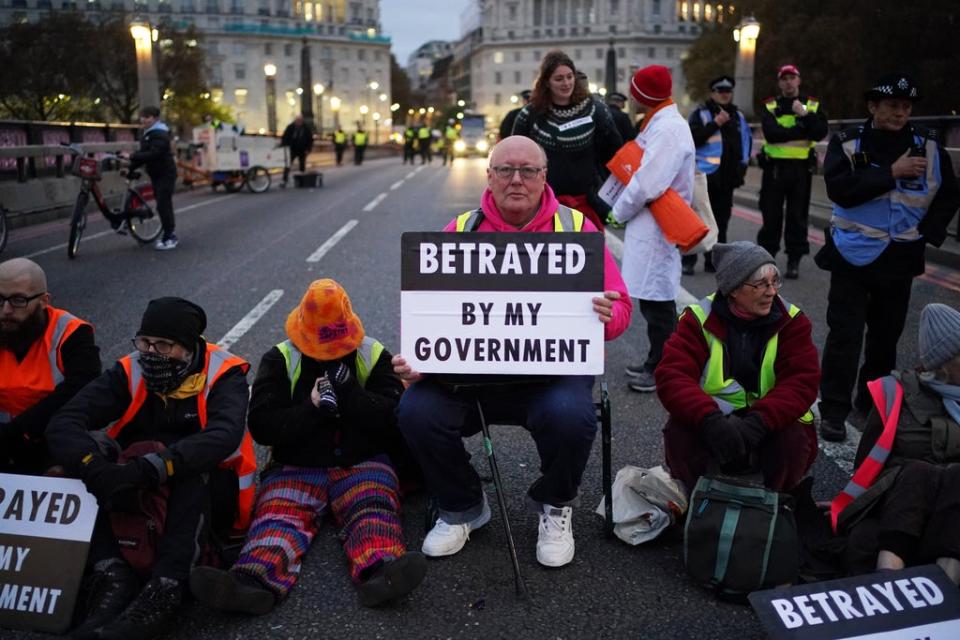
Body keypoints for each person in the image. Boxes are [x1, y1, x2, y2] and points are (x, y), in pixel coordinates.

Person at [392, 136, 632, 568]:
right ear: (489, 176)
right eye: (505, 170)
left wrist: (607, 314)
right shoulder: (460, 230)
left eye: (528, 170)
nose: (516, 179)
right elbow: (424, 311)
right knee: (415, 409)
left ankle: (555, 505)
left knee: (572, 417)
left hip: (550, 377)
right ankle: (462, 505)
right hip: (470, 379)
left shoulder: (577, 229)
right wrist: (416, 358)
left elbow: (622, 310)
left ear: (544, 177)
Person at [190, 280, 425, 612]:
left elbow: (391, 417)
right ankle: (250, 582)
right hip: (296, 465)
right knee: (278, 516)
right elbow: (263, 426)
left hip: (362, 462)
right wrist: (311, 407)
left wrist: (350, 394)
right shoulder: (281, 358)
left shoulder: (372, 354)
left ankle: (383, 572)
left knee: (372, 508)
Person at [46, 297, 255, 640]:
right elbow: (65, 421)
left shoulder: (224, 373)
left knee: (193, 468)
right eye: (144, 342)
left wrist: (150, 468)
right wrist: (94, 468)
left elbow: (222, 436)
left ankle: (166, 588)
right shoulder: (130, 369)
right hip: (136, 482)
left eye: (164, 345)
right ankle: (111, 573)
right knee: (77, 460)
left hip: (209, 496)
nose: (151, 352)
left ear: (188, 348)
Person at [816, 73, 960, 442]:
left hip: (900, 258)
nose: (900, 113)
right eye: (893, 106)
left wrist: (929, 233)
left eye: (906, 107)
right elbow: (840, 190)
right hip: (852, 254)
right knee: (845, 336)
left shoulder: (927, 146)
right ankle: (833, 411)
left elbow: (948, 194)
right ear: (873, 107)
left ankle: (871, 403)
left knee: (885, 338)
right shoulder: (848, 143)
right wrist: (890, 173)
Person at [656, 242, 820, 492]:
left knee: (793, 438)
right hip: (715, 416)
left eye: (775, 281)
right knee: (679, 432)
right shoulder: (697, 318)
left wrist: (759, 422)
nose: (771, 292)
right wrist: (709, 420)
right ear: (732, 289)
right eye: (760, 284)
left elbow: (801, 382)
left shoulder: (793, 321)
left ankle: (777, 501)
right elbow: (672, 375)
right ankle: (694, 500)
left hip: (768, 418)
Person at [835, 304, 960, 586]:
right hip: (902, 506)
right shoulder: (896, 391)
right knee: (916, 471)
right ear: (944, 361)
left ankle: (946, 591)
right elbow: (867, 463)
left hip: (953, 514)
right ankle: (889, 587)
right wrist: (846, 502)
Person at [609, 65, 695, 393]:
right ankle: (656, 360)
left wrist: (618, 210)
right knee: (651, 299)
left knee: (659, 301)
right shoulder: (660, 122)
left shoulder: (668, 129)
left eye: (635, 92)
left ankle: (664, 369)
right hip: (651, 222)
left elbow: (647, 184)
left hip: (659, 223)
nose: (632, 98)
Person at [0, 258, 100, 474]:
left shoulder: (72, 332)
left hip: (55, 434)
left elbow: (82, 389)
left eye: (18, 300)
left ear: (44, 301)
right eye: (0, 299)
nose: (6, 310)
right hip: (4, 436)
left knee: (66, 469)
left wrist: (19, 431)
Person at [511, 50, 623, 229]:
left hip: (587, 204)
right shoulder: (529, 115)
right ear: (547, 82)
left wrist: (616, 196)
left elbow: (615, 155)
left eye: (570, 77)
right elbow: (514, 158)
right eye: (559, 79)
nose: (566, 83)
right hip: (543, 205)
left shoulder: (596, 110)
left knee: (589, 255)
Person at [757, 65, 828, 279]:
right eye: (784, 79)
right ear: (779, 82)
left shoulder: (811, 105)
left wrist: (804, 114)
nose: (788, 82)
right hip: (775, 169)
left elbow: (818, 133)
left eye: (792, 78)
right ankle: (767, 259)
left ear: (799, 80)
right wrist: (800, 128)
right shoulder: (771, 105)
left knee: (797, 217)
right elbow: (771, 134)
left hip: (800, 170)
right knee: (771, 216)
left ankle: (793, 260)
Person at [683, 76, 752, 275]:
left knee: (722, 220)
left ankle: (714, 259)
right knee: (697, 218)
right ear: (712, 93)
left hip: (727, 176)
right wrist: (715, 124)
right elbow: (692, 140)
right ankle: (689, 258)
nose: (724, 94)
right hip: (703, 175)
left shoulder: (738, 116)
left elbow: (745, 142)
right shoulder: (700, 114)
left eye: (728, 91)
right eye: (720, 91)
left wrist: (742, 167)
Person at [128, 106, 178, 251]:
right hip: (156, 174)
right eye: (142, 116)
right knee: (161, 203)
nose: (143, 119)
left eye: (147, 117)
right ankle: (168, 234)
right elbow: (144, 154)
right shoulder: (148, 133)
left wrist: (132, 156)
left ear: (155, 118)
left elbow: (154, 154)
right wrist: (130, 167)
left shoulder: (160, 133)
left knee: (163, 204)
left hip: (166, 174)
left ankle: (170, 236)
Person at [280, 114, 315, 186]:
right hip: (292, 149)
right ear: (295, 120)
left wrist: (308, 149)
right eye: (297, 120)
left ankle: (302, 180)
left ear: (302, 121)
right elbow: (285, 137)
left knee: (302, 165)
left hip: (302, 149)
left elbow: (310, 140)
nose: (299, 122)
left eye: (300, 120)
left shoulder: (306, 128)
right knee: (288, 165)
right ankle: (284, 180)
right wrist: (285, 146)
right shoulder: (290, 127)